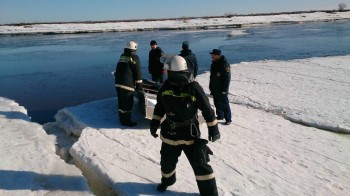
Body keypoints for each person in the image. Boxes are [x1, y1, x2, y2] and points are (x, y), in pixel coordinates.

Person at [150, 55, 220, 196]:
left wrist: (213, 129)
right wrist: (155, 122)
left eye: (168, 71)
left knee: (201, 165)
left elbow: (207, 110)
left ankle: (210, 194)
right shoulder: (166, 87)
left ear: (174, 72)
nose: (166, 74)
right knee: (166, 164)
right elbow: (159, 107)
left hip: (190, 135)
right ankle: (167, 181)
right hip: (169, 134)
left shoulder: (194, 88)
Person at [114, 40, 143, 127]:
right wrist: (139, 87)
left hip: (118, 83)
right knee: (127, 104)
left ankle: (122, 119)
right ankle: (127, 121)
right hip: (127, 85)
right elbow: (138, 73)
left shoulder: (122, 56)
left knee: (121, 103)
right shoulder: (135, 58)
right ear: (134, 49)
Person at [209, 49, 232, 125]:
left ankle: (228, 119)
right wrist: (211, 86)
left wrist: (224, 90)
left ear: (217, 55)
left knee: (224, 103)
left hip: (222, 88)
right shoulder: (214, 63)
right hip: (215, 87)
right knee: (216, 102)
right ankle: (220, 115)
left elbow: (227, 79)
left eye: (213, 55)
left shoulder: (224, 64)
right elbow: (212, 76)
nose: (211, 56)